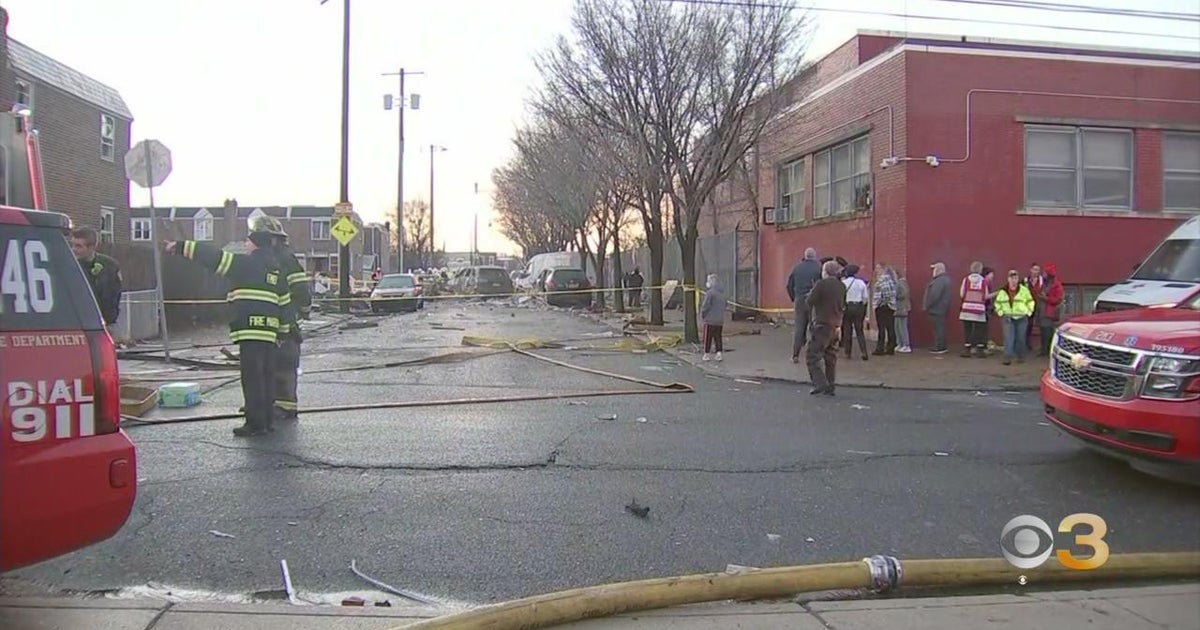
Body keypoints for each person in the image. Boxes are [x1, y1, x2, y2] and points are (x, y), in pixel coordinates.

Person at [165, 220, 283, 437]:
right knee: (266, 375)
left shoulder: (246, 265)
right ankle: (266, 420)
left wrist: (181, 247)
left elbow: (213, 257)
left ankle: (254, 424)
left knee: (252, 378)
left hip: (250, 328)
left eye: (247, 242)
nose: (245, 246)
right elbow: (283, 301)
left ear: (255, 244)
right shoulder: (275, 269)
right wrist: (283, 330)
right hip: (269, 331)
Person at [271, 226, 312, 422]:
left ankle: (283, 406)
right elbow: (302, 291)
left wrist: (301, 310)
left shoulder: (283, 259)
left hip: (279, 319)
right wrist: (304, 311)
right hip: (280, 318)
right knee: (281, 363)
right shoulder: (284, 259)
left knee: (281, 362)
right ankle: (279, 404)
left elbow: (300, 288)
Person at [805, 260, 846, 396]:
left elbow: (810, 301)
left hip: (822, 325)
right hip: (836, 325)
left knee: (812, 356)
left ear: (826, 272)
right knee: (831, 357)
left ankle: (820, 383)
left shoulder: (821, 284)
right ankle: (830, 385)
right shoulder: (841, 286)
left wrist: (811, 292)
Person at [70, 227, 122, 326]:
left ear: (92, 247)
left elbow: (113, 297)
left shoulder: (109, 266)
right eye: (72, 245)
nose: (74, 249)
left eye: (78, 246)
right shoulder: (68, 265)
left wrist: (109, 322)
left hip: (102, 323)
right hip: (75, 322)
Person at [786, 247, 822, 363]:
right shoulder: (819, 268)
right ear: (814, 256)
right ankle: (814, 355)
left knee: (799, 328)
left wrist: (794, 297)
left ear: (805, 256)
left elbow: (789, 285)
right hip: (814, 301)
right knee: (814, 328)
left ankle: (795, 355)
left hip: (800, 299)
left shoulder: (797, 268)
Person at [994, 269, 1035, 365]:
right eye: (1012, 278)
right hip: (1007, 317)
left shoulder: (1024, 290)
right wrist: (1001, 313)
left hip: (1021, 317)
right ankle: (1007, 357)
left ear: (1017, 279)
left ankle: (1020, 356)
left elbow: (1031, 302)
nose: (1013, 280)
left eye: (1015, 278)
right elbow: (997, 304)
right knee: (1008, 338)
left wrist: (1028, 312)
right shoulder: (1002, 291)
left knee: (1020, 338)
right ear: (1008, 279)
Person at [958, 261, 990, 358]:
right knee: (979, 329)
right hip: (979, 308)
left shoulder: (966, 279)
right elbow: (986, 295)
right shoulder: (983, 281)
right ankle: (980, 350)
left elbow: (962, 293)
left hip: (967, 308)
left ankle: (967, 349)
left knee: (967, 329)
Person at [840, 264, 870, 361]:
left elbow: (841, 297)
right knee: (859, 330)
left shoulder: (843, 283)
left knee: (847, 330)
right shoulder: (861, 283)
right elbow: (865, 297)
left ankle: (847, 352)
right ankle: (863, 351)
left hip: (847, 307)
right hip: (858, 307)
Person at [1037, 263, 1065, 357]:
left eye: (1045, 272)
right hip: (1042, 311)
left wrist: (1046, 298)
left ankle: (1048, 351)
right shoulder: (1045, 283)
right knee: (1043, 331)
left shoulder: (1056, 285)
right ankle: (1043, 350)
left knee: (1048, 332)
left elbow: (1058, 299)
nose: (1043, 274)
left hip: (1049, 312)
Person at [923, 262, 951, 354]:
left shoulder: (939, 281)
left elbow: (935, 295)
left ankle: (939, 347)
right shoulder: (944, 280)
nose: (933, 271)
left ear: (938, 270)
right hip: (941, 309)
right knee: (939, 328)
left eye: (934, 269)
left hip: (937, 309)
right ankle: (940, 345)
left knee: (938, 329)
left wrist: (927, 305)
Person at [872, 263, 898, 355]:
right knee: (890, 326)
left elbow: (886, 294)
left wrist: (880, 303)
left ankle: (880, 348)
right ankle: (891, 346)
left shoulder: (882, 280)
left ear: (883, 269)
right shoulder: (892, 279)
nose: (876, 270)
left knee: (881, 328)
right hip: (890, 306)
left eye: (878, 268)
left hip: (883, 306)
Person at [700, 273, 725, 362]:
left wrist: (703, 314)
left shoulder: (710, 293)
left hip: (710, 320)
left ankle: (706, 354)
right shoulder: (721, 293)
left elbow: (706, 306)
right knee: (718, 337)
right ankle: (719, 353)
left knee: (708, 337)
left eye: (709, 281)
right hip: (719, 320)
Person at [1024, 262, 1045, 352]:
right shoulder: (1025, 280)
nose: (1036, 272)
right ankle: (1026, 344)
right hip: (1028, 305)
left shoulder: (1042, 280)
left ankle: (1043, 347)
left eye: (1038, 270)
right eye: (1035, 269)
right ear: (1031, 270)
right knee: (1028, 325)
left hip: (1040, 305)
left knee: (1042, 325)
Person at [894, 270, 912, 353]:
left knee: (902, 327)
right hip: (898, 307)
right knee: (897, 326)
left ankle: (906, 344)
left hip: (902, 307)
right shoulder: (899, 282)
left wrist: (895, 296)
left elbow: (905, 293)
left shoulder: (902, 283)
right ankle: (900, 343)